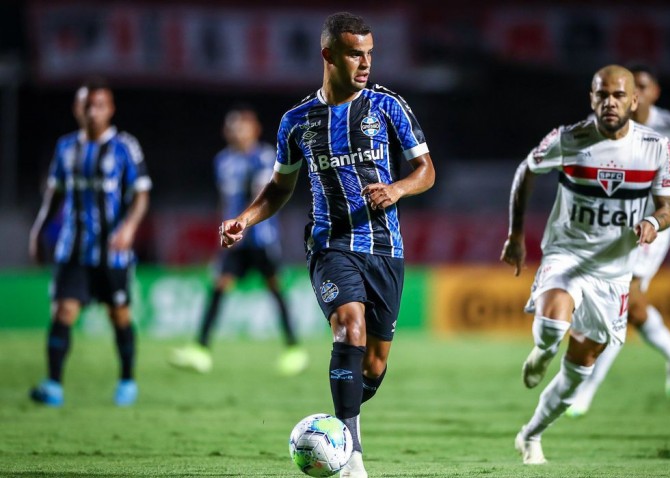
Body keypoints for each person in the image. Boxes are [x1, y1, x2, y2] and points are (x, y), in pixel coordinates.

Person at [219, 12, 434, 478]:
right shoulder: (297, 122)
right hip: (329, 246)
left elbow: (426, 171)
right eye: (356, 53)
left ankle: (338, 424)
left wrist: (397, 190)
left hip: (386, 249)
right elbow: (279, 188)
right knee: (347, 326)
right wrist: (245, 218)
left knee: (372, 367)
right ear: (329, 55)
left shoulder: (388, 107)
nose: (365, 63)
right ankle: (352, 455)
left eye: (370, 54)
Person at [500, 65, 670, 464]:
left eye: (618, 95)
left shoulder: (656, 148)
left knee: (579, 370)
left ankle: (531, 434)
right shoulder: (570, 138)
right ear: (591, 98)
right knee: (553, 324)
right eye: (601, 95)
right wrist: (515, 234)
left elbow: (667, 208)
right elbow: (526, 170)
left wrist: (652, 221)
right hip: (567, 253)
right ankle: (543, 350)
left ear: (634, 100)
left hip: (614, 272)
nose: (609, 102)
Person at [566, 65, 670, 417]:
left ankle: (586, 389)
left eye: (641, 86)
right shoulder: (613, 126)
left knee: (621, 298)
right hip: (615, 222)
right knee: (631, 307)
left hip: (652, 224)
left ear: (652, 93)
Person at [28, 79, 152, 407]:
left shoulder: (125, 146)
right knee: (63, 311)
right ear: (77, 109)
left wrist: (128, 228)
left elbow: (141, 193)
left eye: (99, 105)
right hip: (74, 248)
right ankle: (53, 385)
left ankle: (127, 380)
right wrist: (38, 230)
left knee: (119, 315)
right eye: (87, 105)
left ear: (110, 109)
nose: (93, 112)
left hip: (113, 251)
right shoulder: (66, 147)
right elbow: (54, 194)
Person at [169, 106, 308, 376]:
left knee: (275, 289)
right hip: (236, 242)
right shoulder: (223, 161)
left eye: (242, 126)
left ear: (255, 129)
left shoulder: (265, 157)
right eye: (232, 127)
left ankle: (294, 348)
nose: (237, 132)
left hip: (262, 237)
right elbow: (225, 203)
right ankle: (200, 350)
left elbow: (268, 194)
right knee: (219, 287)